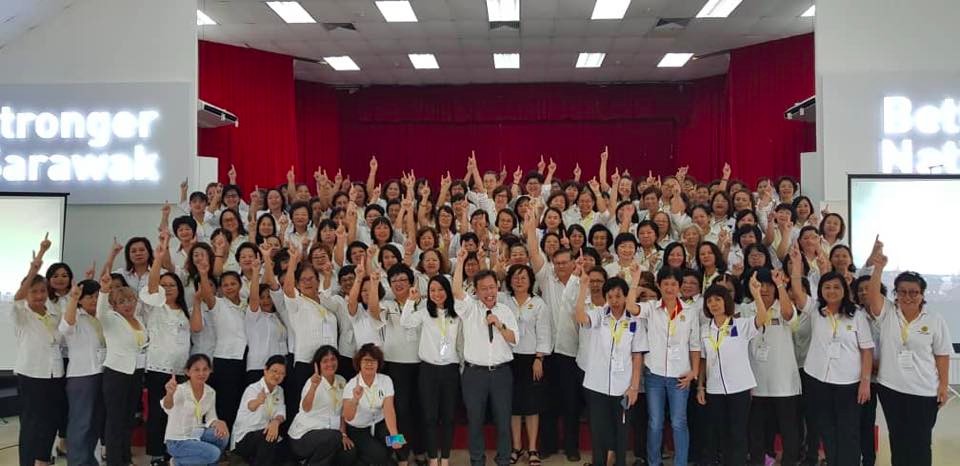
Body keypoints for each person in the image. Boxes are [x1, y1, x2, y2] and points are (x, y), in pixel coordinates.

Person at [864, 238, 953, 466]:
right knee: (898, 441)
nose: (907, 297)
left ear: (922, 294)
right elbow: (873, 296)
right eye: (902, 292)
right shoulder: (887, 313)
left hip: (924, 391)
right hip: (891, 389)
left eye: (914, 292)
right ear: (895, 293)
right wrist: (878, 269)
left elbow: (942, 355)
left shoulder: (934, 319)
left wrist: (943, 385)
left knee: (920, 443)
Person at [452, 247, 520, 466]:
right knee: (475, 421)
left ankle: (503, 460)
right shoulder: (470, 308)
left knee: (503, 420)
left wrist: (499, 325)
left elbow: (514, 339)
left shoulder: (505, 310)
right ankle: (477, 460)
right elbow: (456, 291)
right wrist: (460, 262)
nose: (489, 292)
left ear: (497, 286)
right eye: (483, 289)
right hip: (474, 374)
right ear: (477, 290)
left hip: (501, 374)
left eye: (492, 287)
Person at [799, 270, 874, 466]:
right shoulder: (816, 310)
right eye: (827, 287)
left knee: (848, 432)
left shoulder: (856, 315)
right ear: (820, 290)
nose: (831, 291)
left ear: (845, 290)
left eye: (836, 287)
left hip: (848, 383)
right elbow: (798, 294)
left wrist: (865, 383)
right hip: (818, 380)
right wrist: (797, 264)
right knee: (827, 430)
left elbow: (867, 350)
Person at [576, 262, 645, 466]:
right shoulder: (599, 314)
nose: (614, 301)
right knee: (598, 432)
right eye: (610, 297)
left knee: (621, 432)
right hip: (596, 385)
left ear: (625, 296)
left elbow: (637, 356)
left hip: (623, 387)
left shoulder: (635, 321)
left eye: (618, 296)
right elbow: (580, 317)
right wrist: (583, 287)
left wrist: (634, 387)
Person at [630, 267, 701, 466]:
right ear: (659, 286)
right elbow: (631, 307)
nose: (670, 288)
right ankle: (654, 462)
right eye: (666, 284)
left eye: (673, 284)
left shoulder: (690, 311)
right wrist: (635, 281)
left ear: (679, 286)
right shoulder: (651, 308)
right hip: (654, 375)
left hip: (680, 376)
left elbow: (695, 345)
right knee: (655, 422)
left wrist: (694, 371)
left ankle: (681, 463)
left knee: (679, 422)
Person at [695, 278, 767, 466]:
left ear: (726, 301)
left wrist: (756, 294)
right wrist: (700, 386)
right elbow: (703, 360)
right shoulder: (704, 330)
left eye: (718, 299)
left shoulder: (740, 324)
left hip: (739, 388)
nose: (713, 304)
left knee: (738, 432)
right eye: (709, 301)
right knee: (721, 432)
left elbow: (762, 318)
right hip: (714, 389)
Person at [141, 236, 195, 466]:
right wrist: (158, 259)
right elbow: (152, 287)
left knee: (176, 413)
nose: (168, 288)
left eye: (172, 285)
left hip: (180, 370)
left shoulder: (184, 310)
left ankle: (172, 452)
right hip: (158, 368)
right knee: (157, 412)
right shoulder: (154, 307)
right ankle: (156, 453)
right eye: (164, 285)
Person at [13, 234, 67, 466]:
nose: (39, 296)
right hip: (32, 374)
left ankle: (42, 459)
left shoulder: (53, 313)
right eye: (33, 291)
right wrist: (38, 261)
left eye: (42, 291)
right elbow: (17, 298)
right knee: (32, 423)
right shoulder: (22, 314)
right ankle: (27, 462)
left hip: (54, 374)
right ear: (26, 293)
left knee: (50, 420)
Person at [400, 276, 463, 466]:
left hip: (450, 370)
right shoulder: (424, 313)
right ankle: (433, 459)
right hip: (428, 370)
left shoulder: (457, 314)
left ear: (448, 291)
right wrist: (410, 300)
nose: (437, 294)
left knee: (448, 417)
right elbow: (405, 322)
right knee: (429, 417)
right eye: (432, 290)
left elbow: (461, 343)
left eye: (440, 289)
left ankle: (445, 459)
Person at [97, 258, 150, 466]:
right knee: (115, 420)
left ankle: (125, 458)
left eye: (130, 300)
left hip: (135, 373)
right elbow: (100, 312)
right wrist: (104, 290)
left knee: (128, 418)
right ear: (114, 305)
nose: (127, 304)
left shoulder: (138, 320)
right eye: (122, 301)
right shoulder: (111, 318)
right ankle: (114, 461)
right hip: (117, 373)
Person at [500, 264, 552, 466]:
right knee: (513, 406)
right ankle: (516, 447)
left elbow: (544, 333)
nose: (519, 281)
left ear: (531, 281)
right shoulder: (504, 300)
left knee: (532, 406)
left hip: (531, 360)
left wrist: (539, 358)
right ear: (509, 280)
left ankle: (532, 448)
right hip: (508, 358)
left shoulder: (538, 304)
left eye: (523, 278)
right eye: (515, 277)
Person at [60, 280, 107, 466]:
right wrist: (73, 299)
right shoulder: (75, 316)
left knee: (95, 422)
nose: (94, 300)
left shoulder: (102, 316)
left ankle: (89, 460)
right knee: (81, 422)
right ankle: (77, 462)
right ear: (80, 299)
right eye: (89, 297)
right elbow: (66, 327)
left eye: (97, 296)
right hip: (82, 376)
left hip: (102, 373)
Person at [288, 346, 357, 466]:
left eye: (333, 359)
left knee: (349, 452)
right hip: (304, 435)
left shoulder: (341, 381)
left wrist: (344, 434)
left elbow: (342, 413)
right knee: (333, 437)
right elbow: (305, 408)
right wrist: (313, 388)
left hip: (330, 435)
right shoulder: (312, 382)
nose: (330, 364)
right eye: (325, 361)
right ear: (318, 365)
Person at [343, 343, 405, 466]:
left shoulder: (386, 380)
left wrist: (394, 434)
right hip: (359, 428)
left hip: (378, 424)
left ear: (378, 363)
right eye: (366, 360)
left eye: (373, 361)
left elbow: (389, 409)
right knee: (380, 456)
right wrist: (355, 399)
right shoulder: (351, 385)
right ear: (359, 363)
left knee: (399, 442)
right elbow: (348, 417)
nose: (369, 364)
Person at [163, 354, 230, 466]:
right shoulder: (180, 389)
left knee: (222, 435)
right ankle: (176, 462)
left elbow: (211, 417)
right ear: (188, 372)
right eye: (197, 369)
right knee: (214, 453)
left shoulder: (210, 392)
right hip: (178, 441)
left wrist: (219, 422)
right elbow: (167, 406)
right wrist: (169, 394)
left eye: (205, 369)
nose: (201, 373)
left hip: (197, 434)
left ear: (210, 371)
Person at [232, 355, 287, 466]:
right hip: (245, 438)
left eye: (282, 373)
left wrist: (276, 422)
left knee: (286, 450)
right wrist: (258, 401)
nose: (277, 376)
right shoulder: (253, 388)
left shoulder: (279, 390)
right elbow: (251, 406)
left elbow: (281, 413)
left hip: (265, 436)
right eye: (274, 371)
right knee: (268, 436)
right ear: (265, 370)